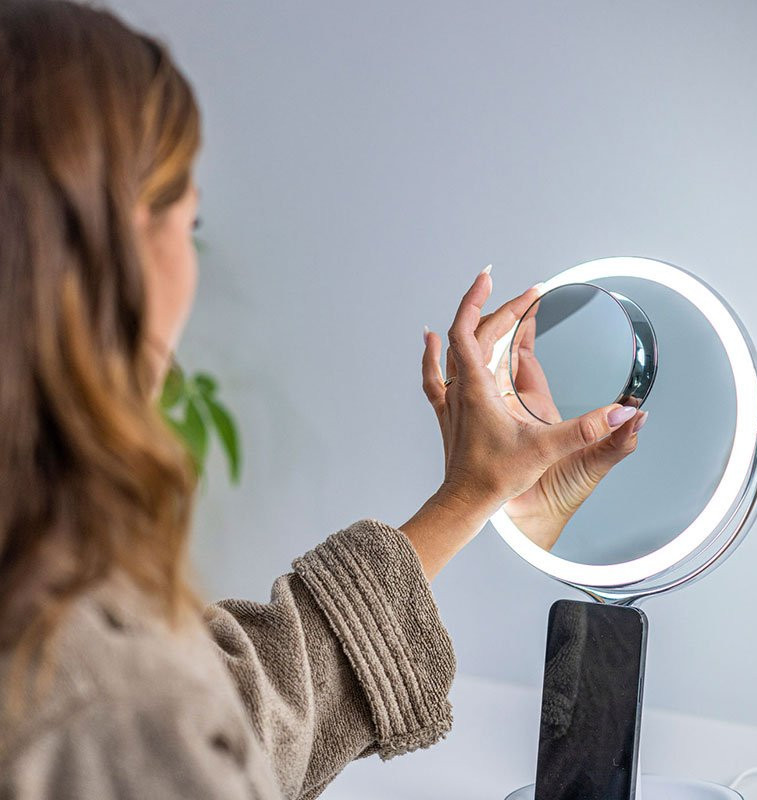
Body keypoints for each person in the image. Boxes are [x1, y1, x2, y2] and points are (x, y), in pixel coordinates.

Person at [0, 2, 647, 798]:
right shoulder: (92, 707)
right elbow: (155, 724)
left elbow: (220, 714)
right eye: (188, 218)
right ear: (119, 251)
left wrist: (472, 497)